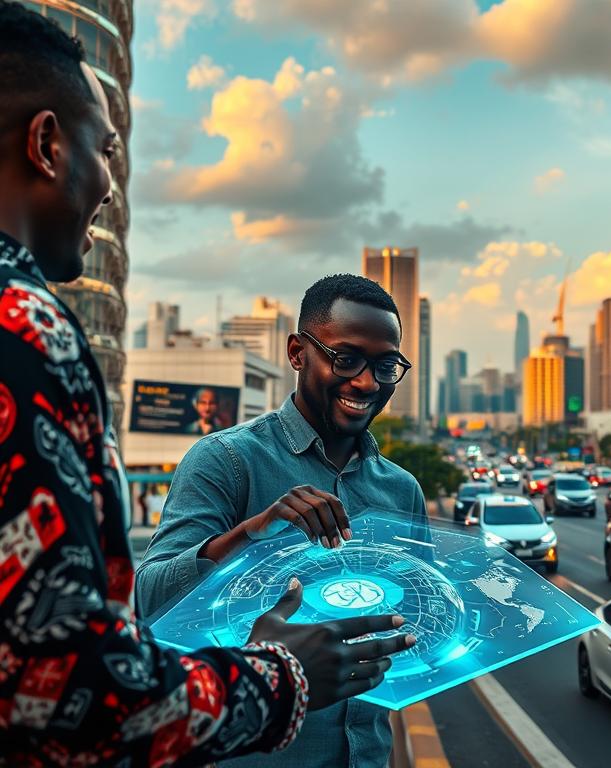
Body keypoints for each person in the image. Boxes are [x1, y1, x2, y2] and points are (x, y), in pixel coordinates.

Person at [0, 4, 413, 764]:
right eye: (108, 151)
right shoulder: (28, 332)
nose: (110, 188)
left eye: (386, 365)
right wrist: (278, 674)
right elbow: (62, 680)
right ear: (48, 144)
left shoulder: (403, 490)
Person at [138, 274, 426, 768]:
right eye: (346, 358)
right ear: (297, 353)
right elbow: (150, 600)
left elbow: (412, 628)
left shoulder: (401, 491)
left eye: (385, 366)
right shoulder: (225, 460)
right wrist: (253, 533)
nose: (366, 383)